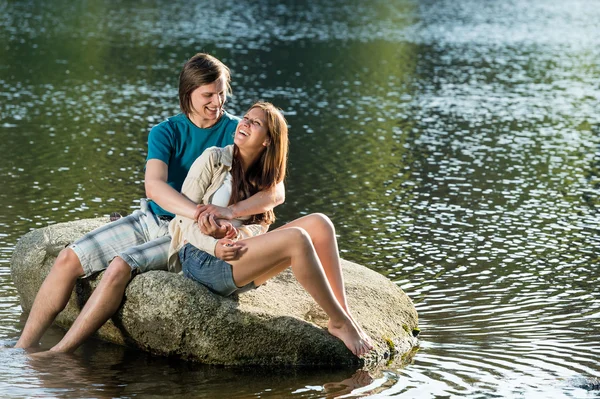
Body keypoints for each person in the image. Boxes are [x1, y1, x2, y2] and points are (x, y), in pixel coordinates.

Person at [15, 53, 284, 353]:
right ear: (187, 94)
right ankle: (22, 350)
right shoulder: (165, 131)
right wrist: (195, 209)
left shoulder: (238, 132)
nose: (217, 102)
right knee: (67, 259)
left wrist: (225, 213)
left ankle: (58, 355)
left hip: (188, 235)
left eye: (221, 93)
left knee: (119, 268)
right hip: (151, 219)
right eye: (207, 94)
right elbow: (154, 186)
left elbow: (276, 191)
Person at [169, 101, 373, 357]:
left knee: (321, 223)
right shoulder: (213, 158)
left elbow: (259, 230)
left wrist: (235, 234)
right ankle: (340, 322)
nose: (244, 123)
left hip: (237, 257)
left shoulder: (265, 181)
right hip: (201, 259)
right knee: (297, 238)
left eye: (255, 123)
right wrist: (215, 244)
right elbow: (182, 217)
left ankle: (343, 314)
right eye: (245, 118)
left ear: (267, 140)